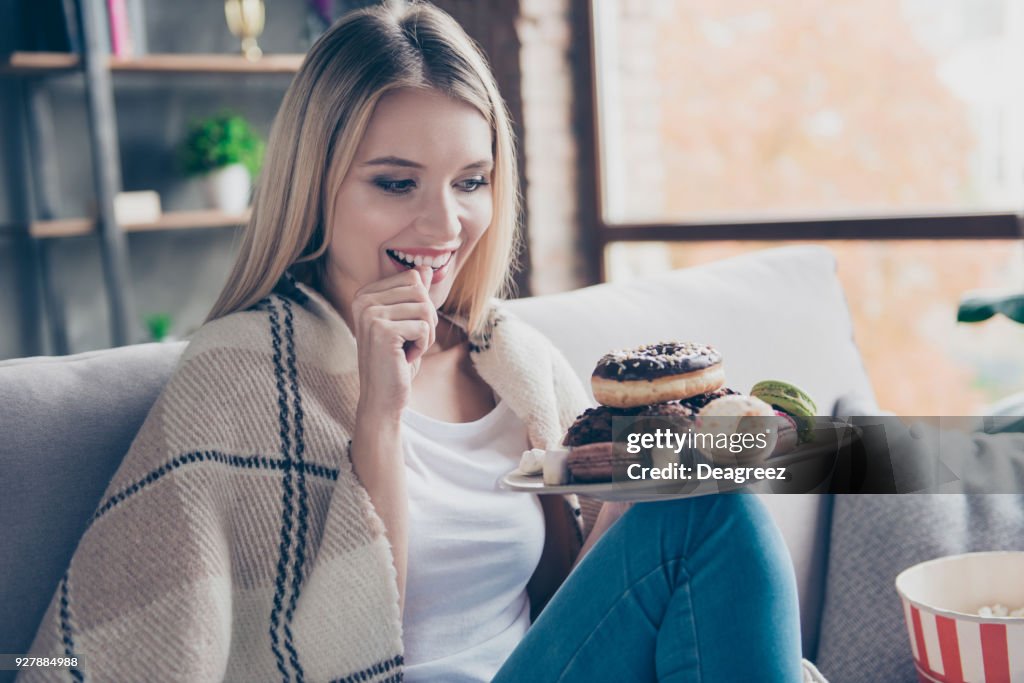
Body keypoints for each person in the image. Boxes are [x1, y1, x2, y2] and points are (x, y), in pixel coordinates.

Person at [20, 2, 810, 681]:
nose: (444, 226)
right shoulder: (241, 371)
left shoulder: (514, 360)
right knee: (719, 516)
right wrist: (380, 420)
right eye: (396, 183)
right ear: (316, 185)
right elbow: (343, 651)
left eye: (470, 182)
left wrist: (628, 486)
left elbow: (575, 613)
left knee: (709, 501)